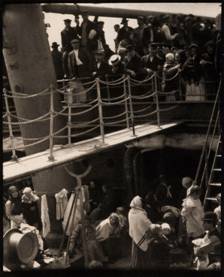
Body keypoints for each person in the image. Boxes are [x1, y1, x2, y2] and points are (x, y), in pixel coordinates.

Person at [128, 195, 153, 268]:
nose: (142, 205)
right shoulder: (140, 215)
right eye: (141, 203)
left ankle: (135, 265)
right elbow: (147, 225)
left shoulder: (130, 212)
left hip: (135, 235)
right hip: (140, 236)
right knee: (142, 255)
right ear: (138, 204)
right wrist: (153, 226)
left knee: (136, 255)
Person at [180, 185, 204, 252]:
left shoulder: (197, 199)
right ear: (193, 193)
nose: (198, 196)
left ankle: (197, 250)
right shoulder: (189, 202)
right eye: (197, 194)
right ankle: (190, 251)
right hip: (192, 221)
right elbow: (184, 213)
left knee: (199, 234)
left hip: (198, 218)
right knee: (193, 236)